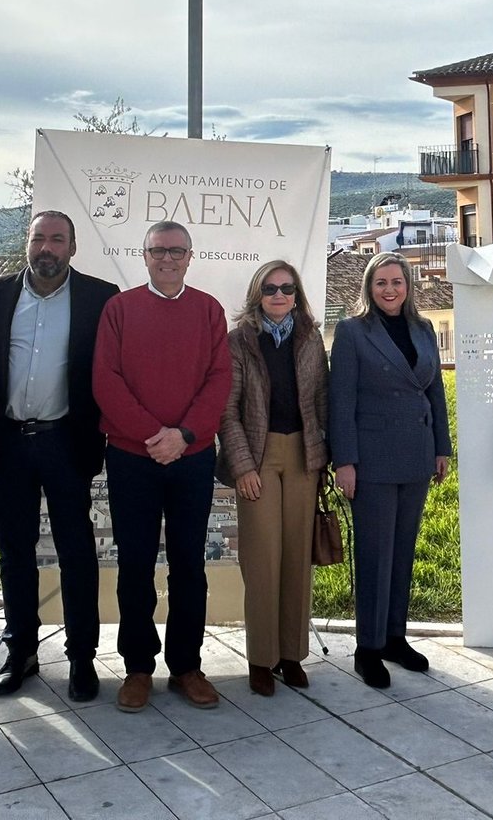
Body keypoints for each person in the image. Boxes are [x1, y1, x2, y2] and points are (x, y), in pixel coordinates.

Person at [0, 211, 119, 702]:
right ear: (27, 243)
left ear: (73, 248)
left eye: (58, 239)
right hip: (7, 441)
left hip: (66, 441)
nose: (47, 248)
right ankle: (21, 653)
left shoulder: (100, 298)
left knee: (77, 552)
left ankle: (82, 657)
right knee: (14, 552)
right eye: (39, 238)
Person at [92, 221, 232, 712]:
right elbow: (105, 379)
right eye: (158, 251)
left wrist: (183, 435)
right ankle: (137, 667)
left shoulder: (209, 310)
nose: (167, 259)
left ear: (190, 257)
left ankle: (186, 666)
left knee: (189, 565)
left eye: (176, 251)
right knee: (134, 564)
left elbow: (219, 379)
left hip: (192, 457)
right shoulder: (119, 309)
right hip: (132, 457)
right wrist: (154, 436)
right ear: (145, 255)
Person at [329, 251, 451, 689]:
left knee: (402, 552)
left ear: (408, 286)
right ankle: (367, 648)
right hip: (373, 460)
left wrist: (442, 447)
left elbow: (434, 391)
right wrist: (345, 461)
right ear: (369, 287)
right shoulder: (352, 331)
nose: (389, 289)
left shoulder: (423, 328)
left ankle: (394, 638)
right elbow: (340, 401)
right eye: (381, 282)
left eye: (397, 282)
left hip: (417, 454)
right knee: (374, 555)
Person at [218, 260, 329, 695]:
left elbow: (322, 400)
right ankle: (261, 659)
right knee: (263, 561)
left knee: (297, 559)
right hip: (258, 457)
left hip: (303, 456)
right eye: (270, 288)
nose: (279, 295)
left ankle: (291, 655)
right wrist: (243, 465)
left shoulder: (310, 338)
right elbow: (227, 411)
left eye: (286, 288)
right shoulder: (238, 341)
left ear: (297, 294)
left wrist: (324, 457)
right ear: (257, 294)